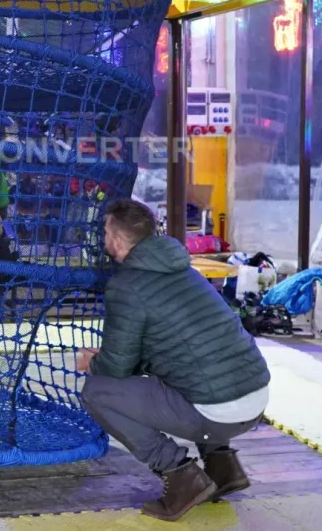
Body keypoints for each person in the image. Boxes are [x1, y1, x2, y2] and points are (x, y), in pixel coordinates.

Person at [77, 199, 271, 522]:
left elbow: (117, 368)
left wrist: (92, 363)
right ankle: (224, 468)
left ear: (120, 241)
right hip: (256, 399)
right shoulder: (185, 271)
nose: (104, 239)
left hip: (218, 412)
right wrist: (114, 357)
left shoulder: (127, 285)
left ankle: (180, 475)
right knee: (196, 371)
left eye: (107, 232)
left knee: (96, 392)